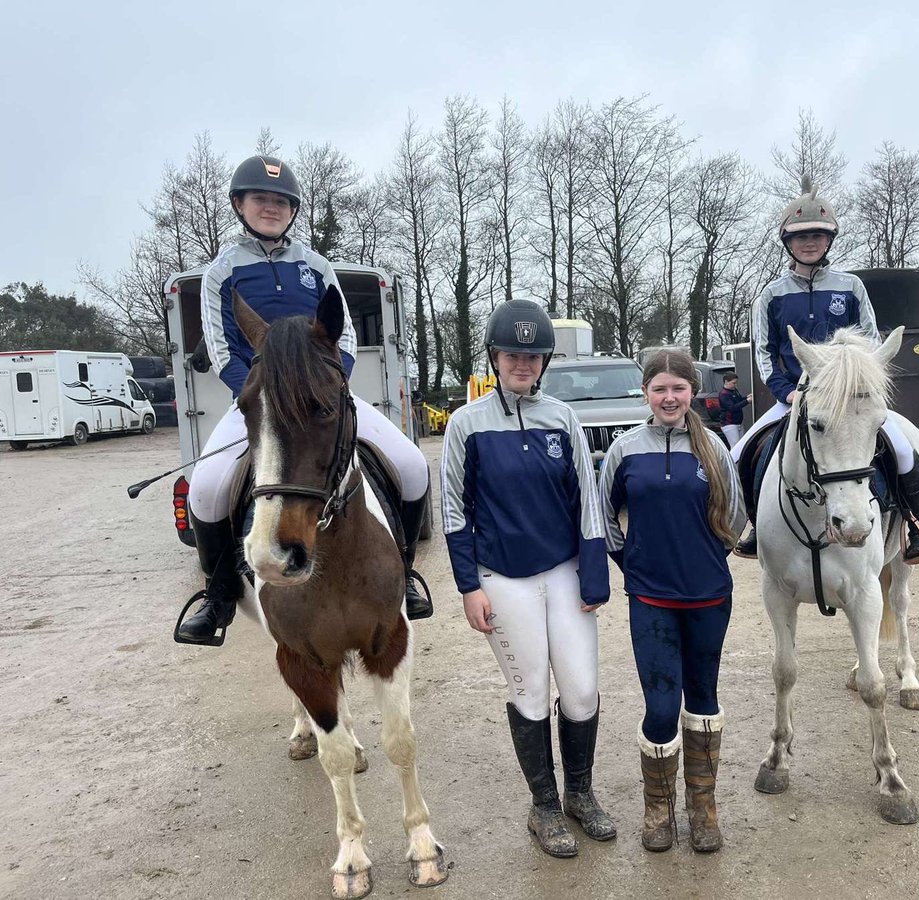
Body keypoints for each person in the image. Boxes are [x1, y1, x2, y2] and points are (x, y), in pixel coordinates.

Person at [177, 155, 434, 646]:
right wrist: (267, 395)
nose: (270, 208)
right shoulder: (221, 272)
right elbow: (222, 346)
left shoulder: (316, 266)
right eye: (260, 199)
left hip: (325, 396)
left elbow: (348, 338)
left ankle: (406, 571)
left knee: (412, 463)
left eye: (280, 201)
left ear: (292, 209)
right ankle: (218, 596)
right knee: (206, 487)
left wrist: (329, 389)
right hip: (260, 399)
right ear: (240, 205)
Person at [440, 298, 615, 858]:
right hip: (503, 578)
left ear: (544, 362)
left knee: (582, 690)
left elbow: (587, 499)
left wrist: (593, 577)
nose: (523, 363)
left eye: (533, 355)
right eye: (513, 354)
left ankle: (580, 794)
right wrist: (468, 585)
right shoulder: (467, 425)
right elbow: (453, 510)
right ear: (495, 358)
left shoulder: (562, 418)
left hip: (564, 571)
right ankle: (543, 804)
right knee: (531, 693)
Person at [730, 176, 919, 565]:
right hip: (797, 396)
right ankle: (756, 524)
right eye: (801, 236)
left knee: (904, 448)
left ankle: (917, 526)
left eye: (818, 236)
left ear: (830, 241)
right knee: (741, 452)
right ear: (787, 242)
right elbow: (765, 351)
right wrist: (784, 391)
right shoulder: (771, 294)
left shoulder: (851, 287)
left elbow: (872, 344)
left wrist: (861, 386)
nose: (810, 242)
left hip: (850, 398)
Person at [599, 350, 746, 853]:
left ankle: (702, 809)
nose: (669, 397)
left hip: (708, 598)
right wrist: (634, 566)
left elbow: (737, 515)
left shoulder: (715, 450)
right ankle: (658, 809)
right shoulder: (624, 450)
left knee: (703, 698)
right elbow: (603, 517)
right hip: (651, 600)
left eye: (678, 389)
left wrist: (704, 559)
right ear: (645, 393)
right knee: (661, 707)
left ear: (692, 392)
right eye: (659, 388)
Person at [717, 371, 749, 448]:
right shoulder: (723, 394)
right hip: (729, 424)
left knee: (741, 445)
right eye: (733, 383)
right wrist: (747, 401)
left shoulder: (734, 391)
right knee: (735, 446)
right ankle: (733, 460)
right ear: (726, 382)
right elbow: (732, 407)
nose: (735, 385)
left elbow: (739, 400)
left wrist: (747, 397)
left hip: (738, 423)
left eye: (736, 383)